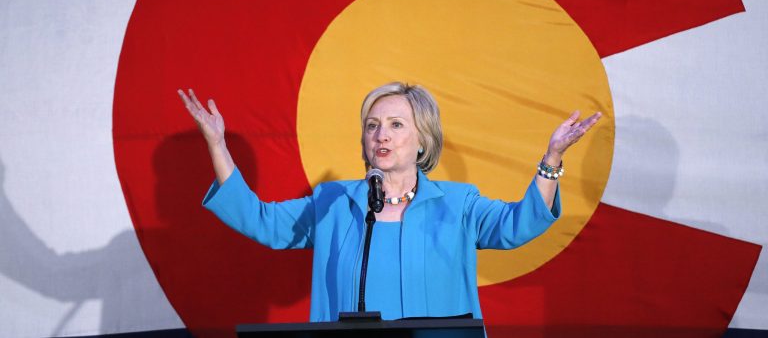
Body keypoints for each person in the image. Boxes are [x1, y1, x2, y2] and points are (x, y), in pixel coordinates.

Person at [178, 82, 601, 322]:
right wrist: (218, 145)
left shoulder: (458, 205)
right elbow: (262, 222)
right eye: (372, 125)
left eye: (396, 124)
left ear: (422, 139)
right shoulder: (333, 203)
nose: (381, 135)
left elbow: (520, 224)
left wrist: (552, 159)